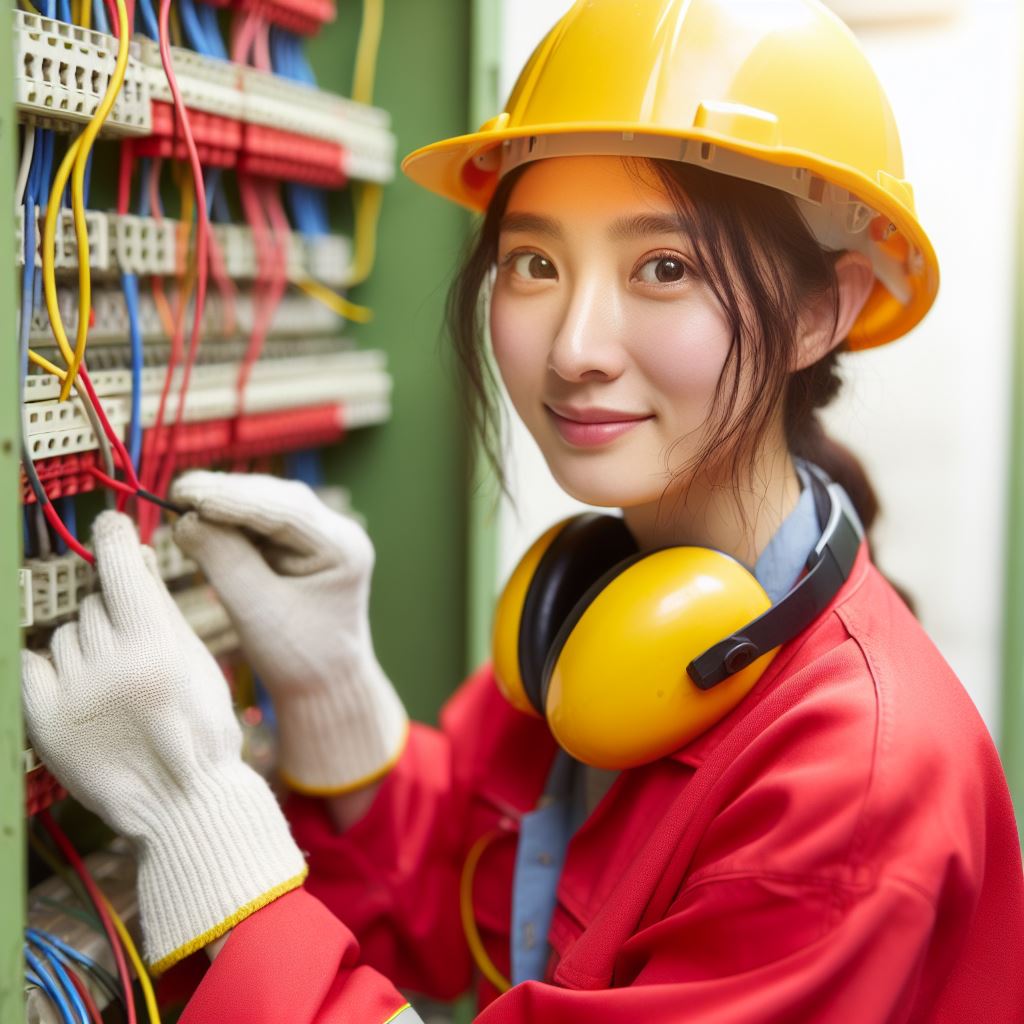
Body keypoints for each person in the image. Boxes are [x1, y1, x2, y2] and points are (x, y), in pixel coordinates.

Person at [22, 1, 1024, 1021]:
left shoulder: (853, 787)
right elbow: (468, 911)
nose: (575, 346)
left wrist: (201, 825)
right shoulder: (600, 620)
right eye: (535, 263)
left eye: (664, 268)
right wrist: (331, 695)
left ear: (821, 309)